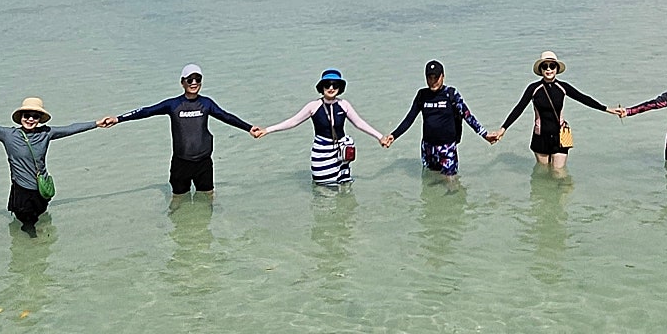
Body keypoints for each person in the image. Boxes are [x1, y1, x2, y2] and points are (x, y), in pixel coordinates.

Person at [0, 97, 101, 233]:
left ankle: (36, 248)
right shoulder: (9, 135)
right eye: (27, 115)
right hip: (22, 190)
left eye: (35, 116)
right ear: (21, 117)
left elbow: (71, 128)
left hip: (42, 188)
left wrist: (97, 123)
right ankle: (31, 245)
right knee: (27, 224)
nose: (31, 119)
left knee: (40, 215)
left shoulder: (46, 133)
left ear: (39, 119)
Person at [97, 64, 255, 198]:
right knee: (178, 201)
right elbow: (146, 111)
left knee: (207, 199)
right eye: (190, 80)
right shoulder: (173, 105)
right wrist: (118, 119)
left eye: (197, 79)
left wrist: (249, 128)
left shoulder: (207, 104)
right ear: (182, 82)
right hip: (181, 163)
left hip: (204, 163)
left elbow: (227, 117)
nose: (194, 83)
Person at [252, 68, 391, 185]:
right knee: (322, 187)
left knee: (344, 186)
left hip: (340, 151)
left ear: (340, 88)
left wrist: (380, 137)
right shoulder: (313, 106)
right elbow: (293, 122)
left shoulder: (344, 104)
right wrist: (267, 130)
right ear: (321, 87)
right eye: (327, 85)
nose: (331, 88)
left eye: (335, 85)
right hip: (321, 151)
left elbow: (359, 123)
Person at [489, 51, 610, 173]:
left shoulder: (562, 87)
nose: (548, 69)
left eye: (552, 66)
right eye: (544, 66)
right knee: (543, 174)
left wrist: (607, 109)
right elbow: (519, 108)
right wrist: (503, 129)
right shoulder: (534, 89)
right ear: (540, 70)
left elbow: (584, 99)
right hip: (540, 137)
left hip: (560, 137)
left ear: (556, 68)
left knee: (559, 173)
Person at [389, 59, 493, 177]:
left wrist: (485, 134)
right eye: (430, 78)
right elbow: (409, 118)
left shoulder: (451, 94)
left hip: (447, 148)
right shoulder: (422, 95)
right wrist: (394, 135)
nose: (433, 81)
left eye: (436, 78)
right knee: (429, 181)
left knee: (451, 183)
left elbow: (467, 115)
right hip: (428, 148)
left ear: (443, 76)